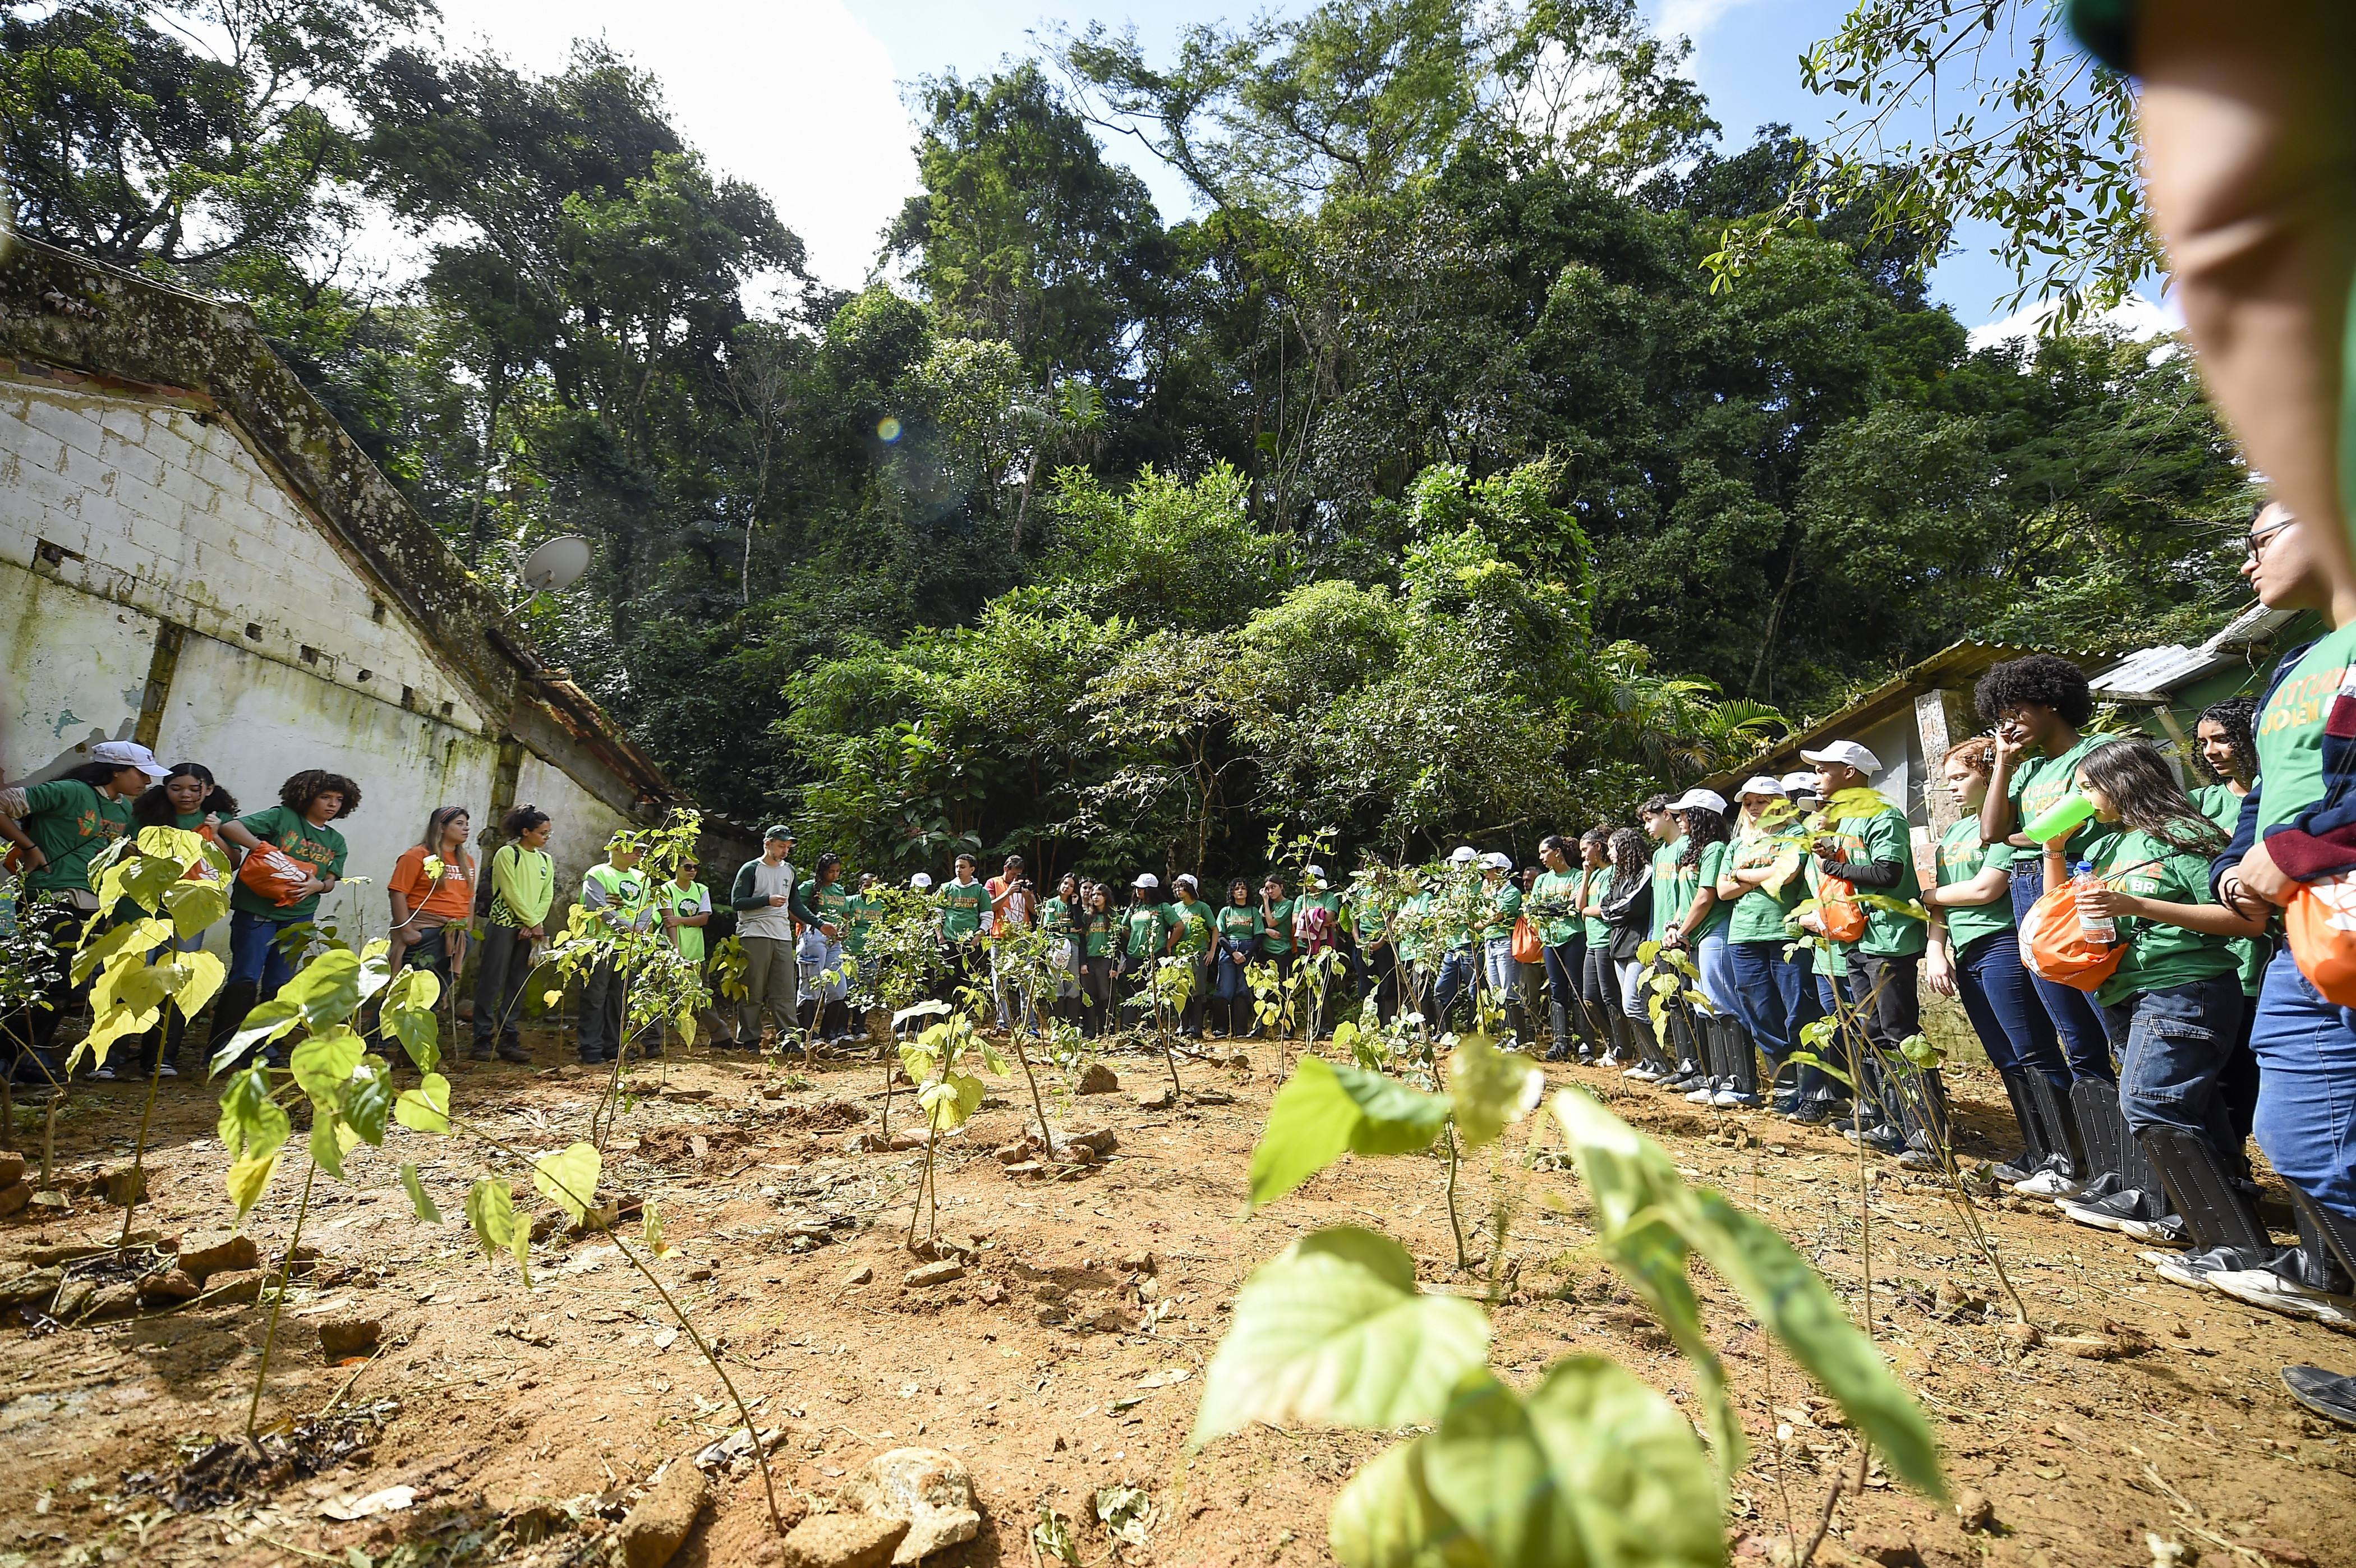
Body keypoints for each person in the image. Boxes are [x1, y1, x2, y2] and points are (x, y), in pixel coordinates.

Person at [2051, 741, 2268, 1250]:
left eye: (2088, 787)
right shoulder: (2107, 845)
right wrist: (2054, 850)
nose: (2084, 799)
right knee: (2192, 1106)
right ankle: (2203, 1218)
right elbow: (2058, 908)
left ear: (2122, 782)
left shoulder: (2185, 835)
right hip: (2127, 991)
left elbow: (2242, 921)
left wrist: (2137, 904)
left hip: (2184, 988)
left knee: (2151, 1102)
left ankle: (2231, 1242)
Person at [1921, 742, 2075, 1186]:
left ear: (1989, 774)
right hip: (1967, 953)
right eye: (1948, 778)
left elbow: (1986, 889)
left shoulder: (2006, 825)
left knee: (2034, 1050)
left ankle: (2069, 1158)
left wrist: (1926, 897)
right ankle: (2038, 1150)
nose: (1950, 787)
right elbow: (1945, 903)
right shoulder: (1953, 834)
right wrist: (1936, 948)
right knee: (2006, 1058)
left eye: (1959, 777)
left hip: (2002, 944)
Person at [1975, 653, 2118, 1089]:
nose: (2009, 726)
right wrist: (2003, 761)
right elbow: (1992, 830)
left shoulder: (2099, 752)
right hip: (2031, 890)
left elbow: (2064, 824)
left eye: (2016, 712)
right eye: (2001, 719)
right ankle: (2102, 1149)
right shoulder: (2029, 769)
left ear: (2049, 702)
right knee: (2071, 1027)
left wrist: (2029, 835)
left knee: (2109, 1014)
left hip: (2084, 881)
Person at [0, 740, 167, 1084]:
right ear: (116, 770)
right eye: (140, 774)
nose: (147, 783)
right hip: (52, 897)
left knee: (65, 988)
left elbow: (109, 851)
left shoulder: (121, 809)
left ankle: (30, 1055)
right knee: (50, 982)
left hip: (91, 906)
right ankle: (9, 1057)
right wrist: (30, 848)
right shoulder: (69, 791)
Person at [1804, 742, 1935, 1160]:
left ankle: (1928, 1133)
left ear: (1849, 773)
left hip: (1890, 941)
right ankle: (1891, 1123)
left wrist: (1834, 866)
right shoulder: (1847, 821)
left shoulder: (1884, 815)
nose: (1817, 777)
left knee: (1900, 1033)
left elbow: (1888, 871)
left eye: (1824, 769)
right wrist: (1832, 854)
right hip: (1859, 940)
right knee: (1872, 1033)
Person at [210, 768, 357, 1070]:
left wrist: (319, 886)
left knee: (280, 983)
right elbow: (231, 827)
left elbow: (331, 880)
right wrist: (265, 850)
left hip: (299, 916)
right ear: (306, 796)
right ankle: (223, 1048)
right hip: (257, 911)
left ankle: (266, 1047)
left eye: (339, 800)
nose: (332, 805)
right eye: (325, 797)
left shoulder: (336, 840)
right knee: (245, 978)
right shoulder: (281, 817)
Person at [128, 761, 239, 1078]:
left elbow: (232, 862)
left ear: (209, 790)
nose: (186, 795)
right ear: (165, 788)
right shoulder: (146, 818)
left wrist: (216, 835)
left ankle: (161, 1057)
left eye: (194, 789)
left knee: (176, 978)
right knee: (135, 975)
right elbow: (126, 853)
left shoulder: (219, 820)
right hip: (146, 910)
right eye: (176, 788)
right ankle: (110, 1058)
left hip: (191, 913)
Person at [1720, 778, 1814, 1111]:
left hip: (1786, 932)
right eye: (1749, 803)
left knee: (1798, 1011)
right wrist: (1759, 876)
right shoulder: (1737, 844)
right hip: (1744, 935)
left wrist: (1741, 876)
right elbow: (1722, 891)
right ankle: (1786, 1084)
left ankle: (1813, 1090)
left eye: (1763, 801)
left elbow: (1785, 875)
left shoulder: (1795, 835)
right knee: (1760, 1010)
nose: (1755, 808)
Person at [1663, 789, 1738, 1101]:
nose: (1679, 819)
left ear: (1700, 816)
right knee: (1701, 1005)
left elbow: (1706, 897)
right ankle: (1715, 1079)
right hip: (1694, 936)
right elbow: (1686, 898)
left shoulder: (1716, 849)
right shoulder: (1692, 852)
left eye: (1683, 814)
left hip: (1714, 933)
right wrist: (1674, 927)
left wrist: (1683, 930)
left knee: (1720, 1004)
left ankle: (1737, 1083)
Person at [472, 804, 553, 1065]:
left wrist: (535, 924)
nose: (546, 838)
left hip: (530, 930)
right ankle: (482, 1039)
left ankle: (509, 1038)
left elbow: (547, 894)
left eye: (549, 833)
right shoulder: (508, 854)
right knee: (491, 981)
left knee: (518, 983)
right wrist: (531, 921)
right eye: (542, 833)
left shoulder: (545, 860)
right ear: (526, 832)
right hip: (504, 924)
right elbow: (509, 891)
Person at [578, 834, 655, 1065]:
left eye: (642, 849)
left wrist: (639, 930)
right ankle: (591, 1047)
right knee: (595, 996)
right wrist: (628, 929)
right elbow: (598, 907)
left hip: (629, 947)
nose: (639, 854)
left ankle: (614, 1046)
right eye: (634, 848)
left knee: (620, 998)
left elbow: (648, 908)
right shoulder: (597, 873)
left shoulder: (643, 878)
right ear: (618, 849)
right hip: (600, 944)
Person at [387, 806, 474, 994]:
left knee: (434, 992)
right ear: (441, 827)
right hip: (426, 930)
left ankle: (422, 1023)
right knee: (407, 991)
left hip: (457, 934)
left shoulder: (467, 861)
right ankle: (384, 1024)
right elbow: (397, 892)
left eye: (467, 824)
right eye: (459, 824)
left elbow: (469, 900)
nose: (466, 828)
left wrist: (468, 933)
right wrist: (407, 931)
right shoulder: (417, 855)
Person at [728, 827, 799, 1050]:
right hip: (754, 933)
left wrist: (818, 923)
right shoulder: (751, 869)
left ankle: (790, 1039)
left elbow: (795, 904)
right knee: (753, 989)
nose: (785, 851)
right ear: (768, 844)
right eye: (781, 846)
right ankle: (750, 1039)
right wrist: (767, 900)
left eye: (788, 847)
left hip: (783, 935)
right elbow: (737, 902)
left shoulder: (789, 871)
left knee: (785, 990)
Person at [1597, 827, 1656, 1077]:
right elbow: (1604, 905)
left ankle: (1659, 1062)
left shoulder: (1647, 871)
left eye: (1612, 846)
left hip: (1639, 946)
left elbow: (1633, 905)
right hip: (1619, 947)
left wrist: (1611, 911)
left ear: (1626, 846)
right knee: (1630, 1004)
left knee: (1633, 1004)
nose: (1609, 852)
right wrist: (1612, 911)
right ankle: (1648, 1060)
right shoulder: (1620, 877)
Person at [1531, 837, 1587, 1061]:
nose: (1542, 858)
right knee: (1557, 991)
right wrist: (1563, 906)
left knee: (1577, 990)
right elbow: (1535, 908)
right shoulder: (1541, 881)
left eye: (1545, 852)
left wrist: (1552, 908)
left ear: (1557, 852)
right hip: (1550, 940)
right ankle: (1560, 1043)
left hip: (1573, 937)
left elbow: (1577, 908)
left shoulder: (1577, 876)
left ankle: (1585, 1044)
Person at [1575, 829, 1622, 1066]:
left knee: (1610, 996)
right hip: (1591, 942)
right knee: (1590, 997)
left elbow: (1607, 907)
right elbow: (1579, 905)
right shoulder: (1593, 875)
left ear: (1599, 846)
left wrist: (1587, 911)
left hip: (1606, 941)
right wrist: (1585, 876)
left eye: (1586, 849)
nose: (1583, 854)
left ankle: (1623, 1049)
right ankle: (1611, 1043)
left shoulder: (1614, 872)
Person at [797, 852, 852, 1047]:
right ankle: (807, 1035)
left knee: (839, 988)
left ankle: (829, 1033)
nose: (835, 875)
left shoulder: (839, 890)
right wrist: (811, 925)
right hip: (814, 936)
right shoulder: (808, 887)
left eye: (838, 871)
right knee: (812, 986)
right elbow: (795, 909)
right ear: (822, 871)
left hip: (835, 941)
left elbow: (845, 914)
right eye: (831, 871)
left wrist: (845, 930)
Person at [1429, 847, 1481, 1035]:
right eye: (1457, 863)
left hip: (1472, 946)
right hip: (1452, 946)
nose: (1459, 867)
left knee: (1475, 992)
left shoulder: (1480, 885)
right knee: (1441, 989)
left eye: (1463, 863)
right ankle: (1444, 1034)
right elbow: (1439, 908)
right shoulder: (1452, 885)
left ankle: (1474, 1036)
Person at [664, 852, 713, 1049]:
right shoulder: (666, 890)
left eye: (695, 867)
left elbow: (704, 919)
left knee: (702, 997)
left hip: (696, 952)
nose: (693, 871)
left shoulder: (701, 890)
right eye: (687, 867)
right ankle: (655, 1043)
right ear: (675, 868)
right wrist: (676, 948)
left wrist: (681, 919)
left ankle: (720, 1037)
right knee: (666, 996)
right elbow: (669, 922)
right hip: (672, 954)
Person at [1475, 852, 1524, 1039]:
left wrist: (1486, 911)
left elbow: (1490, 917)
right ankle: (1505, 1037)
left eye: (1489, 871)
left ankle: (1517, 1038)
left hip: (1505, 944)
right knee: (1496, 993)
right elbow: (1479, 919)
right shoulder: (1490, 894)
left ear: (1502, 871)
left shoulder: (1512, 893)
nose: (1486, 876)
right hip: (1489, 944)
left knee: (1509, 991)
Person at [986, 854, 1035, 1031]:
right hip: (1000, 937)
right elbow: (989, 906)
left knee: (1027, 982)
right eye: (1014, 874)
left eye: (1019, 875)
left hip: (1023, 937)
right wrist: (1008, 892)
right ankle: (1003, 1023)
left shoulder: (1025, 883)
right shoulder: (993, 883)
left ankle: (1030, 1024)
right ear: (1005, 869)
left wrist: (1027, 895)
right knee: (1000, 982)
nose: (1017, 878)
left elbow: (1034, 909)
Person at [1167, 875, 1217, 1036]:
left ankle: (1196, 1027)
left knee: (1198, 991)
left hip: (1198, 954)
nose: (1178, 890)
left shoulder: (1202, 907)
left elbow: (1214, 929)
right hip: (1179, 955)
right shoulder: (1174, 908)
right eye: (1176, 887)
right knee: (1180, 990)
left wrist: (1211, 951)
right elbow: (1170, 929)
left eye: (1182, 887)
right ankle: (1182, 1025)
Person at [1120, 874, 1171, 1029]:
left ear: (1151, 890)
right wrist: (1136, 939)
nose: (1137, 891)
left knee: (1154, 993)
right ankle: (1126, 1029)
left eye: (1141, 888)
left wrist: (1168, 945)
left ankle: (1153, 1029)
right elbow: (1124, 927)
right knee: (1131, 992)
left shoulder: (1163, 907)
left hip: (1156, 954)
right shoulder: (1134, 907)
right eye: (1137, 888)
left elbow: (1179, 926)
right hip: (1134, 955)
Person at [1214, 877, 1263, 1037]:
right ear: (1232, 893)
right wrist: (1233, 953)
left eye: (1243, 888)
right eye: (1236, 889)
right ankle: (1221, 1029)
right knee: (1224, 989)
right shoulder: (1225, 912)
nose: (1240, 891)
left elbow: (1259, 936)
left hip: (1248, 949)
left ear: (1248, 892)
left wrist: (1247, 954)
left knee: (1243, 990)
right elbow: (1220, 936)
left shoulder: (1253, 912)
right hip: (1228, 950)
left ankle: (1241, 1030)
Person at [938, 852, 989, 1003]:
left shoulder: (981, 891)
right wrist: (941, 937)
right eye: (957, 867)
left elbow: (987, 918)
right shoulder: (946, 888)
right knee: (941, 981)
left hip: (969, 945)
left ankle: (961, 1020)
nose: (958, 870)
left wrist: (976, 940)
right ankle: (938, 1021)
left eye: (963, 867)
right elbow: (937, 914)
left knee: (965, 984)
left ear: (972, 870)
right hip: (948, 943)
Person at [1036, 872, 1082, 1028]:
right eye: (1065, 883)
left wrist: (1075, 905)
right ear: (1060, 883)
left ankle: (1072, 1027)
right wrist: (1069, 930)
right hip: (1055, 946)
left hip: (1073, 947)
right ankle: (1057, 1027)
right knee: (1056, 986)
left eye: (1071, 886)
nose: (1067, 887)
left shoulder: (1075, 904)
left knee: (1073, 985)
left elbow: (1079, 926)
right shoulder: (1051, 904)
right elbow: (1050, 926)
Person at [1078, 882, 1120, 1037]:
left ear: (1106, 897)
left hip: (1106, 960)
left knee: (1106, 996)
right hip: (1090, 960)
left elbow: (1118, 941)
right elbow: (1082, 941)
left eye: (1099, 895)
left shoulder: (1113, 916)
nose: (1095, 897)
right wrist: (1083, 963)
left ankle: (1107, 1030)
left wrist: (1115, 965)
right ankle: (1089, 1030)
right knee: (1089, 997)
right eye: (1093, 895)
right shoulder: (1087, 916)